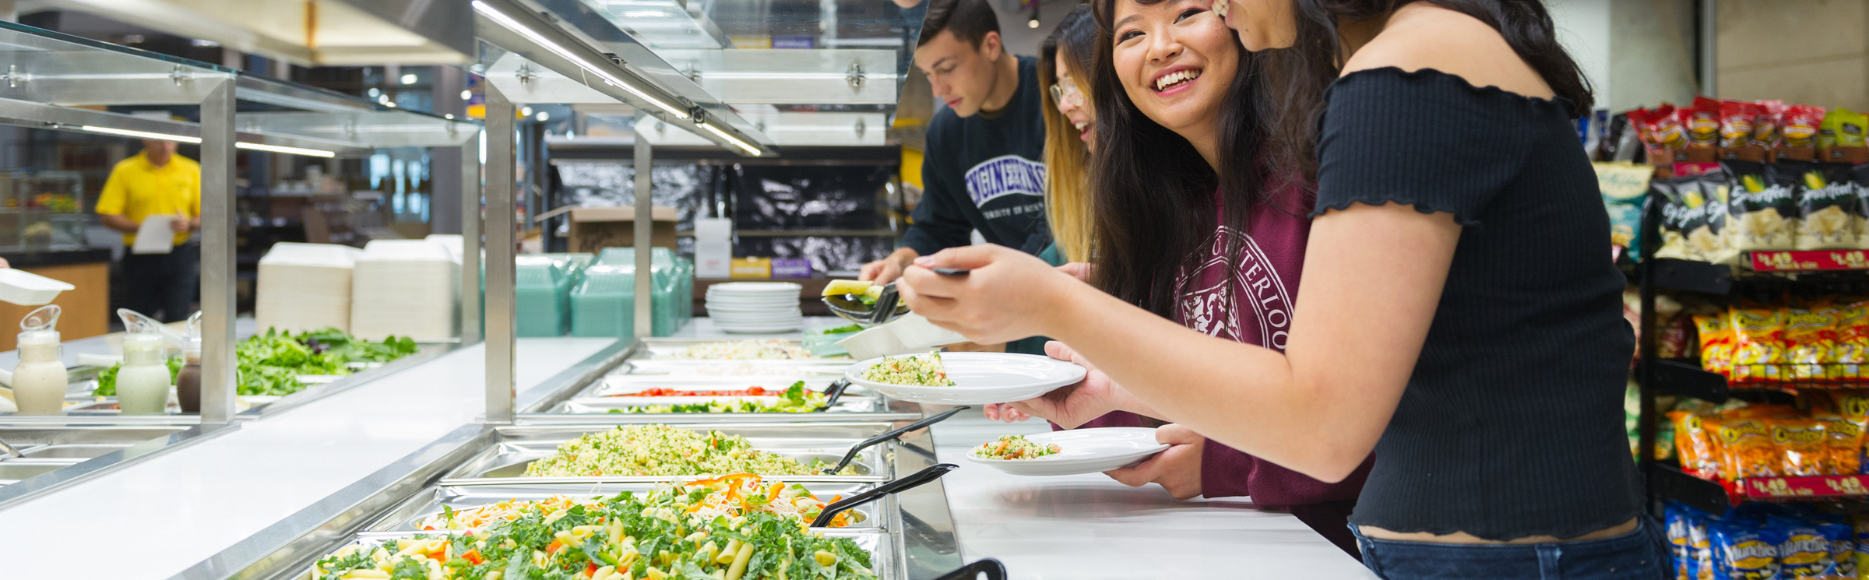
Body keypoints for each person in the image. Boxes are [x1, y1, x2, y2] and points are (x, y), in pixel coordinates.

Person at [896, 0, 1662, 577]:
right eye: (1131, 30)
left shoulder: (1401, 76)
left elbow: (1322, 423)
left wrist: (1058, 305)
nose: (1221, 10)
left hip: (1505, 557)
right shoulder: (1420, 59)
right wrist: (1112, 374)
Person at [987, 2, 1372, 558]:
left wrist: (1222, 461)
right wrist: (1091, 394)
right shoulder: (1173, 211)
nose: (1160, 46)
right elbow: (1188, 413)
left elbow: (1382, 425)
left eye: (1188, 12)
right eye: (1131, 34)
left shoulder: (1317, 172)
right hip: (1239, 551)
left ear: (1237, 18)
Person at [860, 0, 1049, 286]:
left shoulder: (1059, 99)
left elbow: (1075, 218)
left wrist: (1001, 281)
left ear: (991, 46)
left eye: (947, 68)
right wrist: (904, 259)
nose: (938, 90)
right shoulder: (946, 132)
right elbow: (939, 227)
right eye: (928, 75)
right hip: (1013, 299)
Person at [98, 139, 201, 323]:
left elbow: (210, 214)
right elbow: (107, 215)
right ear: (146, 141)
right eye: (159, 142)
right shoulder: (125, 170)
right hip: (140, 255)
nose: (165, 147)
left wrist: (190, 223)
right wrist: (143, 228)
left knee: (178, 316)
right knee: (139, 317)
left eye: (170, 142)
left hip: (179, 254)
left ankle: (175, 352)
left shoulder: (191, 169)